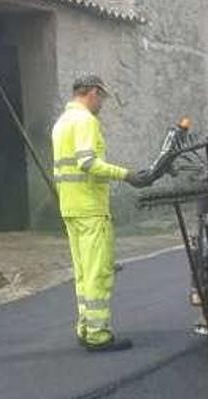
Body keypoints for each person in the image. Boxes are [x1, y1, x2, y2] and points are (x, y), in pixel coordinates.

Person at [52, 75, 154, 352]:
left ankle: (85, 327)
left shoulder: (62, 123)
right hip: (90, 209)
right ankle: (98, 335)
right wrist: (127, 175)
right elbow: (87, 162)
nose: (103, 105)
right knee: (98, 273)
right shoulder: (85, 121)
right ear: (93, 93)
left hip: (71, 208)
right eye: (102, 98)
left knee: (84, 273)